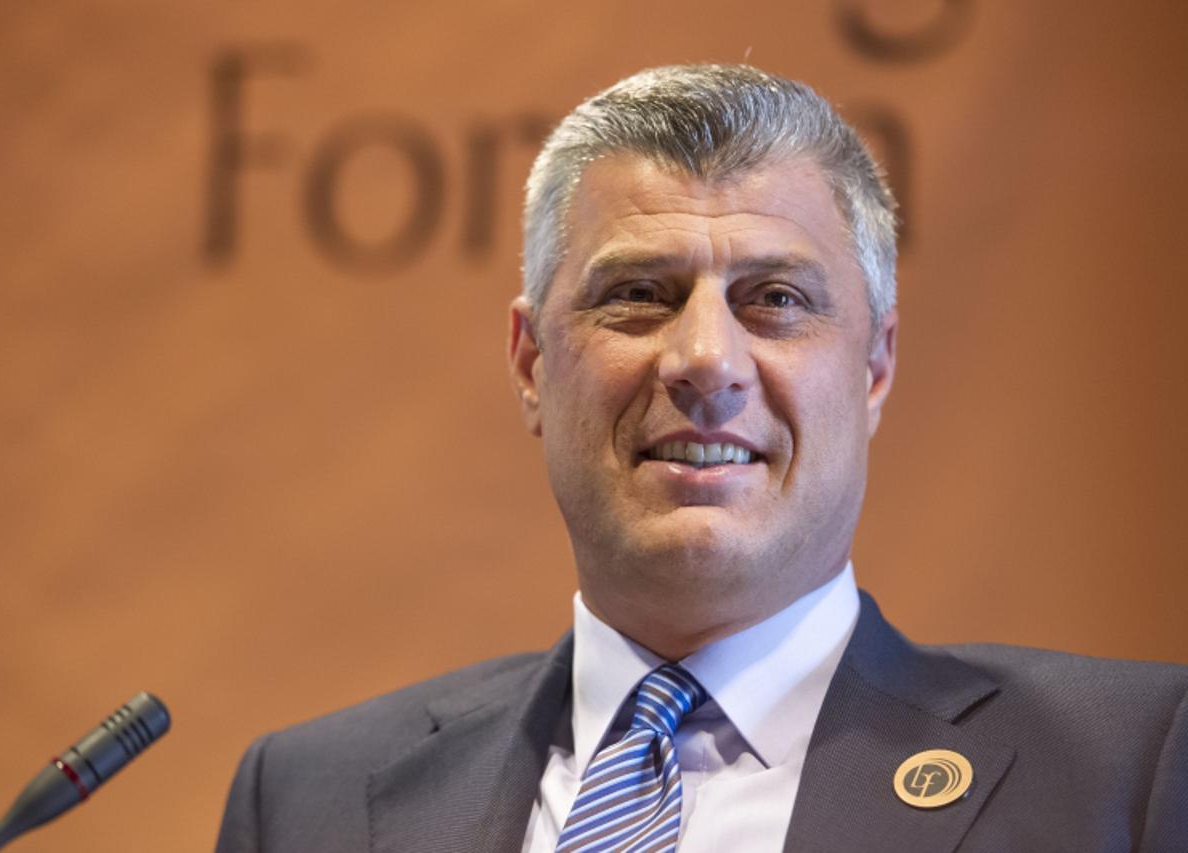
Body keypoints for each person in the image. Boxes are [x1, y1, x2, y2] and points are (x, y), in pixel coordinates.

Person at [214, 65, 1188, 852]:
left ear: (875, 364)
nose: (703, 361)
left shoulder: (1126, 767)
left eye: (773, 299)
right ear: (528, 362)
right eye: (637, 291)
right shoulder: (309, 803)